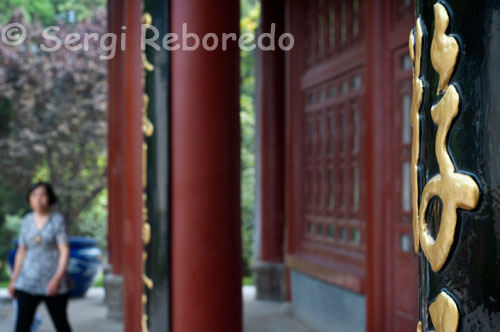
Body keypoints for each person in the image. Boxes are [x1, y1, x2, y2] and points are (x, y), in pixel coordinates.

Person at [8, 182, 73, 332]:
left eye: (42, 195)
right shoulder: (26, 220)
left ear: (49, 198)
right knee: (22, 325)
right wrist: (14, 280)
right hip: (27, 281)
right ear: (29, 198)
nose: (38, 199)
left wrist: (58, 278)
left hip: (53, 281)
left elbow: (64, 250)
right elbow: (21, 251)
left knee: (61, 324)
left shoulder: (57, 220)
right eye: (34, 195)